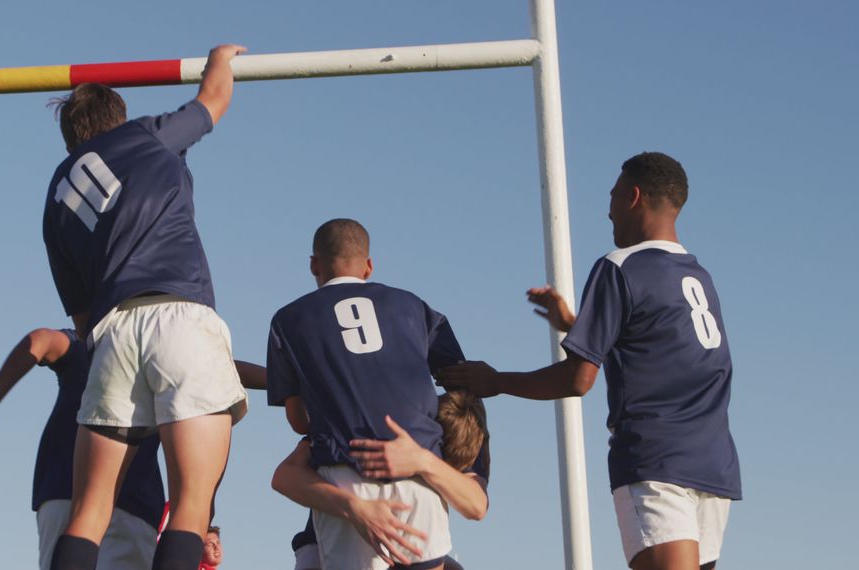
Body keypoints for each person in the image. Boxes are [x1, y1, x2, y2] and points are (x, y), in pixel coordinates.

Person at [438, 152, 740, 570]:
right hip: (713, 464)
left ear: (634, 197)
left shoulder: (619, 268)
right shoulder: (698, 275)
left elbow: (578, 380)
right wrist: (579, 327)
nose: (607, 210)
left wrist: (496, 381)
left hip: (657, 461)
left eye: (613, 196)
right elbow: (657, 347)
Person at [42, 44, 250, 570]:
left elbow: (82, 322)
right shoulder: (143, 136)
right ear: (119, 118)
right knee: (190, 505)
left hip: (112, 332)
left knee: (88, 510)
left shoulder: (55, 196)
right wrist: (219, 58)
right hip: (180, 315)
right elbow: (215, 99)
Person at [266, 218, 468, 569]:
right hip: (416, 468)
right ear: (369, 265)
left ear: (314, 264)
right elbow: (459, 381)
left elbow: (299, 421)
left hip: (344, 479)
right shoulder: (414, 305)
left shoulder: (288, 319)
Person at [0, 328, 164, 570]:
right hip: (129, 498)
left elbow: (41, 339)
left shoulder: (88, 343)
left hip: (71, 490)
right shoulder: (159, 353)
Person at [275, 390, 491, 570]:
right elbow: (284, 476)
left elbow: (477, 506)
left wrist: (423, 463)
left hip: (399, 553)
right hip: (325, 548)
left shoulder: (455, 446)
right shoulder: (366, 432)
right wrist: (354, 507)